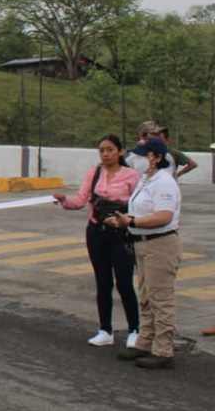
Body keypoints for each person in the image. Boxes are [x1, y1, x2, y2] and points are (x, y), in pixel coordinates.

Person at [53, 135, 141, 347]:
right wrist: (64, 200)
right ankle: (105, 329)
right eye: (102, 150)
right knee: (103, 281)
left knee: (124, 282)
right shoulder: (93, 174)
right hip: (96, 232)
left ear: (120, 151)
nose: (105, 154)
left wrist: (125, 219)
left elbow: (138, 204)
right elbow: (80, 201)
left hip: (121, 234)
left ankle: (134, 329)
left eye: (110, 150)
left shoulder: (131, 175)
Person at [110, 137, 183, 369]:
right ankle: (145, 342)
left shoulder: (164, 182)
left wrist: (132, 221)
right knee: (146, 296)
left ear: (157, 158)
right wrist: (123, 221)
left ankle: (163, 350)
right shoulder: (146, 179)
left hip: (159, 244)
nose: (136, 159)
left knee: (161, 299)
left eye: (143, 155)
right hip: (143, 243)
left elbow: (164, 217)